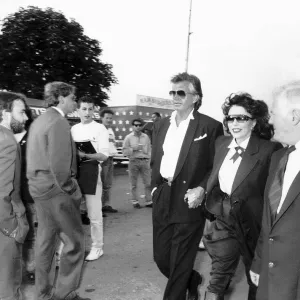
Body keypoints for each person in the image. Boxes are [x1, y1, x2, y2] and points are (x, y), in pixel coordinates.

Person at [151, 72, 223, 300]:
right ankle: (191, 279)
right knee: (162, 258)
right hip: (163, 194)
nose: (174, 96)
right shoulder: (161, 125)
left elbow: (216, 165)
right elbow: (156, 159)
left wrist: (202, 188)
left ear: (195, 97)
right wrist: (155, 188)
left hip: (189, 198)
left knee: (181, 258)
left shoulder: (210, 126)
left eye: (181, 92)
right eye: (172, 92)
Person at [202, 93, 282, 300]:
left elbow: (274, 193)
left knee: (255, 278)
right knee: (217, 277)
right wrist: (203, 192)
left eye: (242, 118)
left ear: (254, 122)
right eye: (230, 118)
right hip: (225, 218)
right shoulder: (221, 143)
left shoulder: (269, 150)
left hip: (253, 224)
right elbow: (214, 176)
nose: (234, 123)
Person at [27, 82, 89, 300]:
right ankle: (65, 294)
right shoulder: (59, 122)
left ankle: (43, 293)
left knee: (45, 242)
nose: (76, 102)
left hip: (39, 189)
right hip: (56, 190)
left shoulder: (39, 121)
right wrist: (71, 188)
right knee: (75, 242)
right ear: (61, 98)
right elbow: (60, 165)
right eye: (73, 98)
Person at [250, 81, 300, 300]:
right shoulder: (280, 157)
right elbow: (269, 220)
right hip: (269, 282)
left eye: (273, 113)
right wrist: (259, 262)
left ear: (294, 116)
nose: (269, 120)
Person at [71, 96, 109, 261]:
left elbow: (104, 155)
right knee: (72, 214)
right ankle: (74, 248)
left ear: (94, 110)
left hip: (92, 173)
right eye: (84, 109)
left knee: (94, 214)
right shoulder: (72, 130)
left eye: (90, 109)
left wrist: (85, 154)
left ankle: (97, 247)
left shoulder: (100, 129)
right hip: (74, 174)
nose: (87, 112)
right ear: (78, 110)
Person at [0, 91, 29, 300]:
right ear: (6, 113)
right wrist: (9, 227)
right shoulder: (8, 141)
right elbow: (3, 188)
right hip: (4, 222)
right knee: (8, 282)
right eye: (22, 112)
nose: (26, 117)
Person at [14, 102, 37, 283]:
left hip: (27, 194)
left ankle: (31, 267)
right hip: (8, 196)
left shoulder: (32, 138)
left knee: (29, 233)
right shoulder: (5, 135)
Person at [123, 118, 152, 208]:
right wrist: (133, 149)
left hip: (144, 161)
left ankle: (149, 201)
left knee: (148, 183)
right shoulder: (128, 137)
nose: (138, 127)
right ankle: (135, 201)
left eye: (140, 125)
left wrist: (148, 158)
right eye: (136, 125)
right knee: (133, 184)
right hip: (133, 161)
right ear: (133, 126)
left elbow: (149, 149)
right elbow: (124, 151)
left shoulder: (146, 137)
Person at [100, 109, 118, 213]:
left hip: (110, 159)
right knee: (101, 184)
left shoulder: (110, 130)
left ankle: (105, 205)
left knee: (107, 184)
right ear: (101, 118)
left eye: (110, 118)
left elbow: (112, 144)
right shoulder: (99, 130)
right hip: (103, 160)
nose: (109, 120)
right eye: (107, 118)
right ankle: (99, 208)